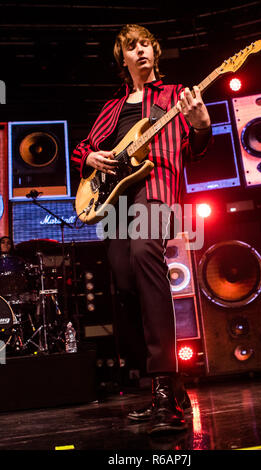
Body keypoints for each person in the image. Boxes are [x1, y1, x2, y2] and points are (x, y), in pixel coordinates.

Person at [71, 24, 212, 435]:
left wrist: (201, 123)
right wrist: (92, 159)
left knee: (142, 254)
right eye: (133, 47)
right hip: (115, 203)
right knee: (124, 275)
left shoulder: (175, 96)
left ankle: (165, 388)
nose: (142, 51)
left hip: (157, 192)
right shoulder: (111, 108)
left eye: (147, 44)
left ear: (156, 52)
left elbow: (197, 148)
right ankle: (171, 389)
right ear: (124, 59)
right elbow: (84, 149)